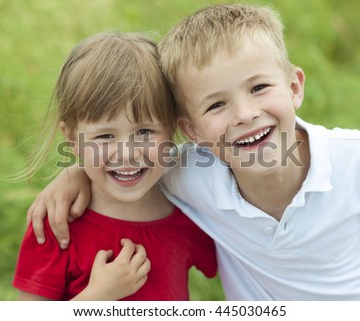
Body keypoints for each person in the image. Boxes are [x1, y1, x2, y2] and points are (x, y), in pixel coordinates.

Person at [28, 4, 360, 300]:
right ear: (190, 131)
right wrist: (74, 173)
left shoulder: (359, 158)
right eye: (216, 105)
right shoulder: (189, 175)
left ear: (294, 86)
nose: (244, 114)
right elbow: (135, 163)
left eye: (258, 88)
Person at [12, 32, 217, 301]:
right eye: (105, 136)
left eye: (145, 131)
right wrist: (98, 297)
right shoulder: (56, 222)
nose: (128, 153)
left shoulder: (191, 209)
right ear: (72, 141)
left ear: (173, 129)